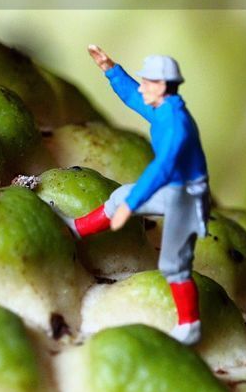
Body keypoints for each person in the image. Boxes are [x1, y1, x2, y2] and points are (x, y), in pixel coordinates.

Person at [56, 46, 210, 345]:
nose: (144, 87)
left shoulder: (177, 126)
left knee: (173, 265)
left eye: (149, 82)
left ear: (163, 87)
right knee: (119, 196)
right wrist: (110, 69)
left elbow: (162, 170)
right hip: (173, 189)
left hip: (185, 198)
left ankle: (190, 326)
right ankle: (77, 229)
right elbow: (132, 97)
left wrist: (133, 205)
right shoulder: (163, 108)